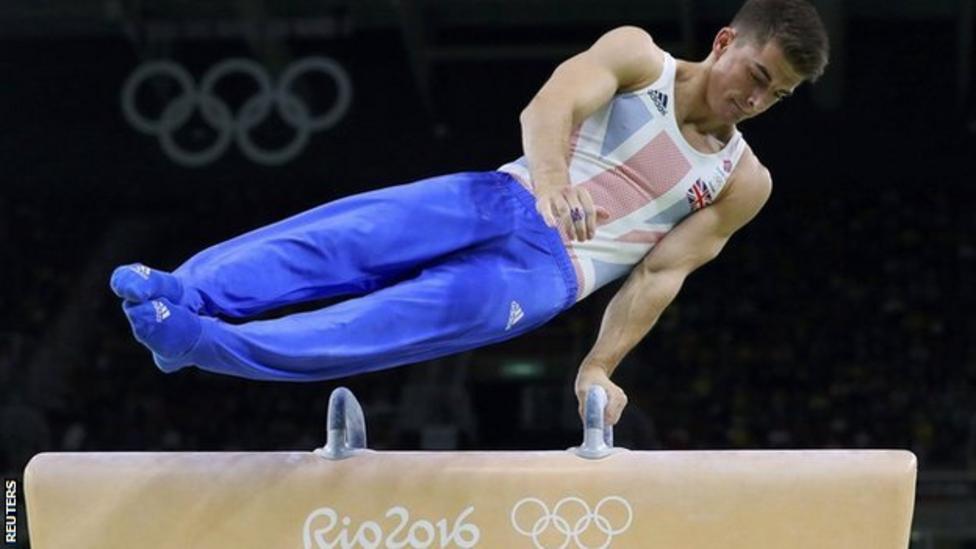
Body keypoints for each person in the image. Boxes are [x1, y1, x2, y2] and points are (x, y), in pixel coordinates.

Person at [111, 0, 828, 427]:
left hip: (546, 275)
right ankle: (185, 292)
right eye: (759, 76)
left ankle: (201, 343)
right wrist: (551, 182)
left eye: (780, 96)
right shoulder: (639, 57)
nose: (758, 101)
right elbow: (549, 104)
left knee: (377, 324)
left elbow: (659, 275)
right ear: (726, 41)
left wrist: (596, 366)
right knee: (337, 241)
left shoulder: (742, 182)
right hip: (502, 196)